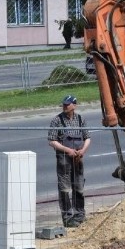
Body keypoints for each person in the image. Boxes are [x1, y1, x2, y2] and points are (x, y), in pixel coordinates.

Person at [48, 95, 91, 228]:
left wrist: (83, 150)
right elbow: (52, 141)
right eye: (64, 104)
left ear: (74, 105)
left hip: (78, 158)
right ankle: (67, 218)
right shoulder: (57, 120)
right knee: (65, 188)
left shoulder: (80, 119)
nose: (65, 106)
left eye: (68, 104)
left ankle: (79, 214)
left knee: (78, 187)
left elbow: (87, 137)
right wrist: (67, 150)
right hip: (64, 159)